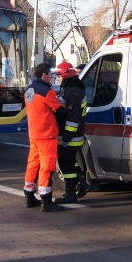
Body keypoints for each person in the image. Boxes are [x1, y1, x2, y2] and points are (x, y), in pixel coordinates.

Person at [23, 63, 65, 212]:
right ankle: (46, 201)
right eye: (51, 75)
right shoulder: (47, 92)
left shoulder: (29, 91)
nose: (53, 77)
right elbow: (59, 111)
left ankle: (29, 196)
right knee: (47, 167)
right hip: (47, 134)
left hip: (34, 134)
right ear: (43, 75)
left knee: (33, 164)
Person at [53, 61, 89, 204]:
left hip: (71, 136)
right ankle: (82, 182)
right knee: (71, 161)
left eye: (59, 76)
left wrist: (67, 136)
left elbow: (73, 118)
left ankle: (70, 193)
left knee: (65, 164)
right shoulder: (73, 89)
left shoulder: (73, 92)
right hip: (75, 135)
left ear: (65, 75)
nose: (58, 79)